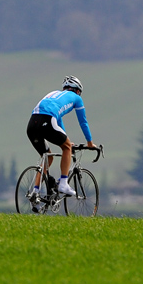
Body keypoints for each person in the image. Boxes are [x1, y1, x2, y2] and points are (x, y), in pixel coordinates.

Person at [26, 76, 95, 207]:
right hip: (48, 119)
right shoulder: (77, 98)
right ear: (78, 91)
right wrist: (90, 142)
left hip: (32, 124)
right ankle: (63, 183)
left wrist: (66, 139)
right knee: (67, 148)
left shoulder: (53, 93)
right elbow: (83, 122)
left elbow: (58, 119)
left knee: (47, 157)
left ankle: (35, 191)